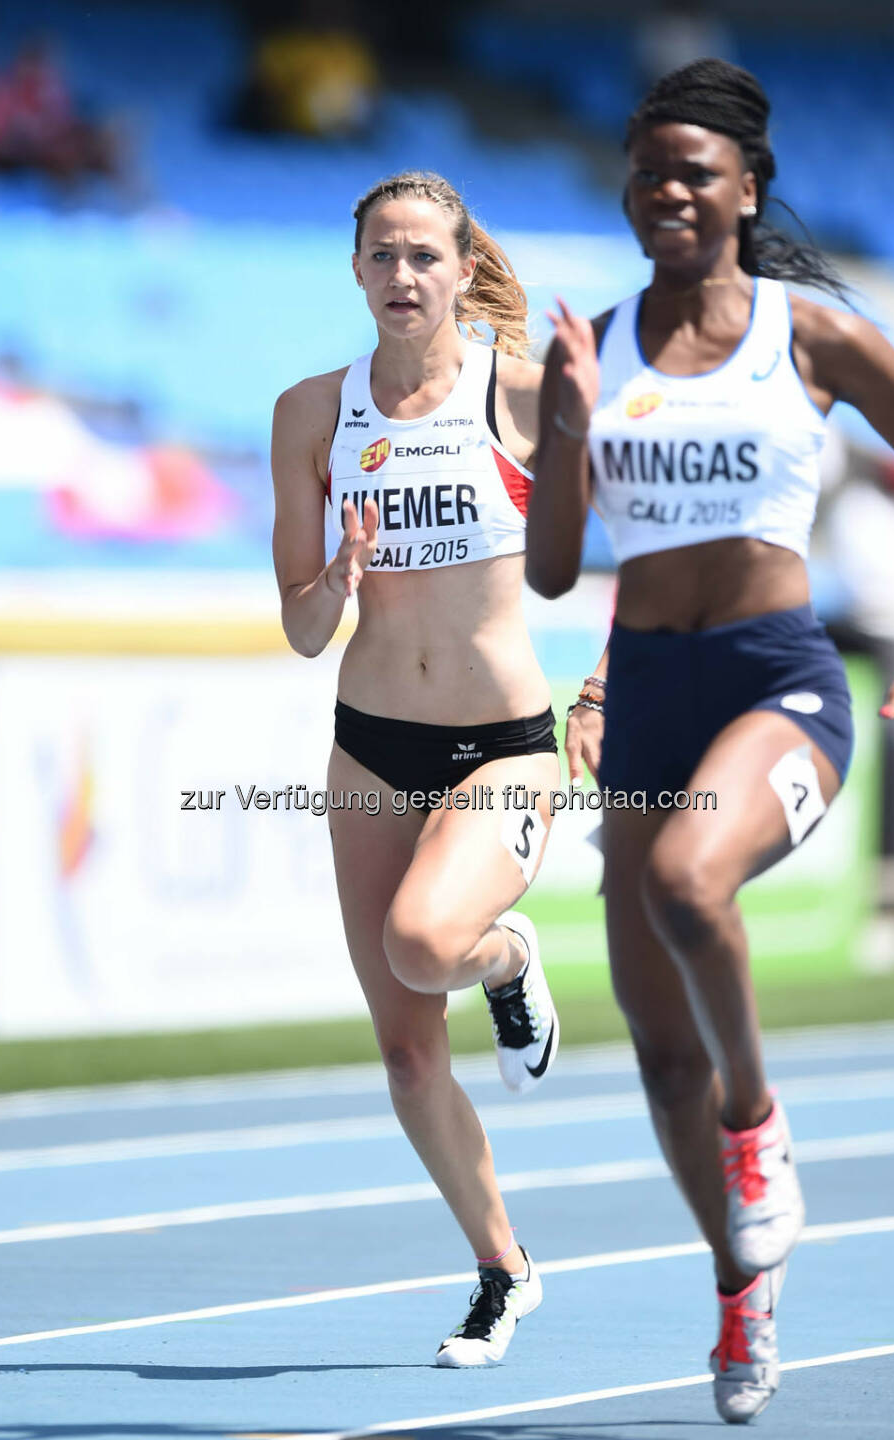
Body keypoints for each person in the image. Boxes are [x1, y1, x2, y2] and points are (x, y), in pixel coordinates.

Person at [526, 58, 894, 1423]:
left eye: (694, 170)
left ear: (745, 189)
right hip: (651, 685)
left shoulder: (812, 337)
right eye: (648, 168)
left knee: (682, 884)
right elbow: (549, 574)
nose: (667, 189)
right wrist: (571, 430)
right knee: (657, 1054)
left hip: (782, 681)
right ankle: (739, 1293)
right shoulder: (592, 346)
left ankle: (758, 1125)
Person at [271, 171, 562, 1367]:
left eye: (424, 258)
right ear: (355, 270)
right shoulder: (308, 413)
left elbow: (644, 556)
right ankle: (502, 1270)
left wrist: (603, 692)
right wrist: (335, 584)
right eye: (382, 256)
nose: (403, 277)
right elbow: (297, 627)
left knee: (424, 944)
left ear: (458, 268)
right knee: (404, 1050)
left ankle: (509, 959)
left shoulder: (529, 396)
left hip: (503, 746)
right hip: (370, 743)